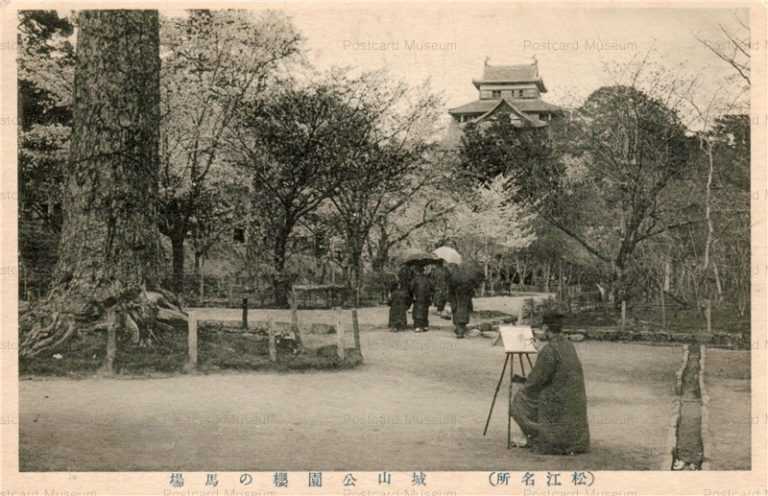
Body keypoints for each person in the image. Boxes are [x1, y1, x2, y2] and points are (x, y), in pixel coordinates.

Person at [510, 312, 590, 455]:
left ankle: (538, 436)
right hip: (574, 397)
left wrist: (523, 383)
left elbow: (535, 381)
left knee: (519, 400)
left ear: (546, 328)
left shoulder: (549, 349)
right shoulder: (568, 345)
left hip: (557, 399)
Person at [410, 265, 433, 332]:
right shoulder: (427, 279)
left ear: (417, 271)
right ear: (423, 271)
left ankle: (418, 326)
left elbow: (411, 288)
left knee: (417, 311)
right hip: (426, 297)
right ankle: (425, 326)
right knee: (425, 310)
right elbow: (432, 287)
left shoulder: (415, 279)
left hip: (418, 297)